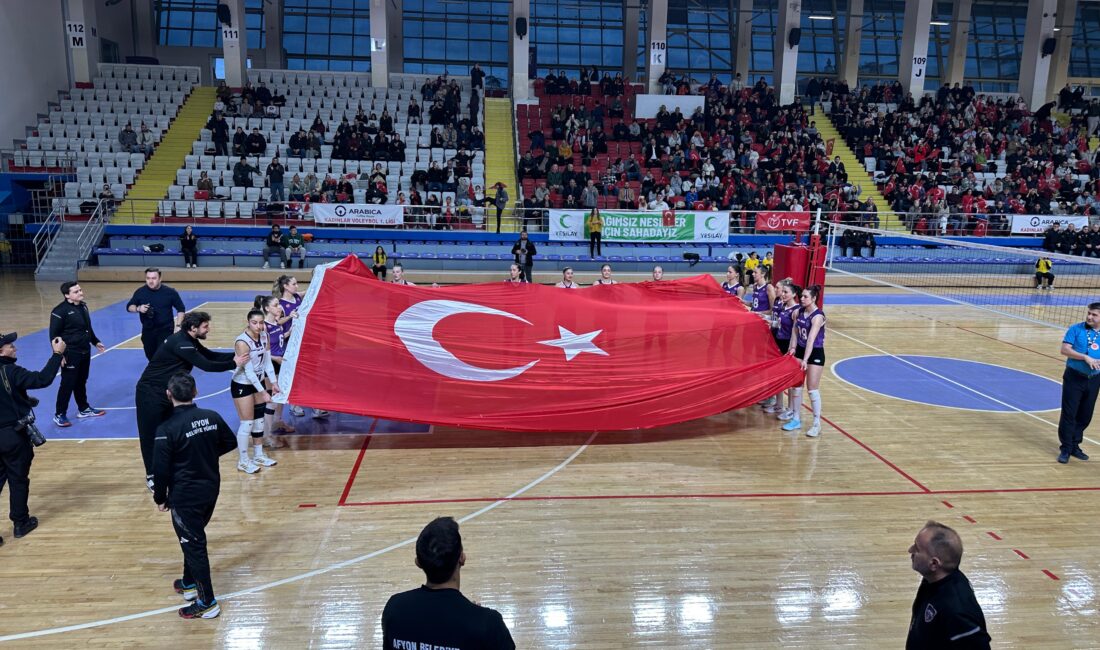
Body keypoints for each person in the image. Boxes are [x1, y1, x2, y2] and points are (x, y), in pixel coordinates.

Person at [152, 372, 238, 620]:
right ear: (195, 392)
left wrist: (160, 498)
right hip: (210, 488)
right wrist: (204, 456)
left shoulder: (166, 429)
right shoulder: (211, 417)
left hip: (185, 496)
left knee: (194, 545)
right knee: (193, 537)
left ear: (169, 395)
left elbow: (161, 469)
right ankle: (189, 583)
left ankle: (207, 602)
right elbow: (229, 442)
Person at [135, 311, 247, 489]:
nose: (208, 329)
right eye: (205, 326)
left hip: (168, 392)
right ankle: (152, 475)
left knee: (173, 432)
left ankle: (170, 467)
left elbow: (210, 355)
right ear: (193, 328)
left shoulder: (189, 339)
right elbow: (207, 365)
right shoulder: (181, 344)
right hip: (150, 394)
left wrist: (238, 355)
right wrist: (234, 363)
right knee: (151, 436)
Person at [382, 517, 515, 650]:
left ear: (418, 563)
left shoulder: (395, 609)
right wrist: (475, 618)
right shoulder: (488, 624)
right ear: (462, 558)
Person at [0, 332, 66, 544]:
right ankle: (21, 523)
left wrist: (23, 399)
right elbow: (42, 379)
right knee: (18, 479)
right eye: (10, 346)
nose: (15, 349)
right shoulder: (11, 371)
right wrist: (57, 355)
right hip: (12, 436)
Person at [906, 521, 991, 649]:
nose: (910, 550)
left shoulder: (957, 611)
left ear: (934, 563)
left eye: (917, 549)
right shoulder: (932, 579)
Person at [49, 281, 107, 427]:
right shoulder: (59, 311)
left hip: (85, 351)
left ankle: (83, 409)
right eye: (76, 292)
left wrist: (95, 341)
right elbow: (54, 336)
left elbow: (88, 327)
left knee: (81, 381)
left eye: (80, 290)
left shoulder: (83, 306)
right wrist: (58, 355)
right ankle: (59, 414)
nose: (80, 293)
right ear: (67, 295)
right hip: (70, 353)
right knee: (67, 384)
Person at [229, 309, 280, 474]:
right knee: (247, 423)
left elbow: (267, 363)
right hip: (243, 383)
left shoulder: (264, 335)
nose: (258, 326)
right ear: (248, 322)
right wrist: (263, 391)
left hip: (257, 381)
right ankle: (243, 461)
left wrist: (273, 382)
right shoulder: (242, 342)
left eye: (261, 322)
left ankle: (258, 454)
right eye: (254, 323)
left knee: (259, 420)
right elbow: (249, 372)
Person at [1056, 302, 1100, 464]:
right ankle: (1066, 448)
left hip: (1095, 379)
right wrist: (1085, 357)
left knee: (1085, 415)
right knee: (1069, 413)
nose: (1089, 316)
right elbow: (1065, 350)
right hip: (1074, 377)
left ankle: (1075, 445)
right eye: (1089, 313)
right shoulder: (1076, 329)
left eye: (1094, 314)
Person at [782, 285, 826, 438]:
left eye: (806, 297)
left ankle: (816, 423)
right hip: (800, 350)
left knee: (812, 388)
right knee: (796, 386)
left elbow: (811, 340)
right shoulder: (798, 311)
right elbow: (795, 331)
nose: (802, 298)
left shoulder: (818, 316)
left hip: (814, 352)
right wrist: (793, 347)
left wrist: (806, 359)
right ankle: (796, 419)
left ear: (813, 298)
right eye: (801, 296)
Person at [126, 268, 187, 361]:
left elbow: (181, 309)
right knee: (150, 354)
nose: (150, 281)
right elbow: (129, 307)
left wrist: (178, 325)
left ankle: (166, 372)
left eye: (154, 278)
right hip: (148, 329)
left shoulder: (170, 292)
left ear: (160, 278)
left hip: (166, 329)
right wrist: (138, 308)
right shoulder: (140, 292)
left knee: (163, 354)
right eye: (148, 278)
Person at [257, 295, 293, 446]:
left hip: (279, 363)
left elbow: (280, 338)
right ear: (267, 308)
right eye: (276, 305)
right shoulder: (263, 327)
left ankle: (277, 422)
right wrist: (274, 358)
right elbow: (259, 350)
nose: (280, 307)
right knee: (271, 401)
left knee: (280, 397)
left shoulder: (276, 323)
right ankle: (266, 437)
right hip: (269, 365)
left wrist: (293, 328)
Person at [774, 281, 802, 423]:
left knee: (791, 380)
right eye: (782, 292)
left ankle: (791, 410)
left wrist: (792, 349)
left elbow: (795, 333)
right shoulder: (784, 307)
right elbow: (779, 325)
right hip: (779, 343)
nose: (783, 295)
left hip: (789, 346)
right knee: (780, 377)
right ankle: (782, 405)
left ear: (794, 294)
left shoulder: (796, 310)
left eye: (786, 292)